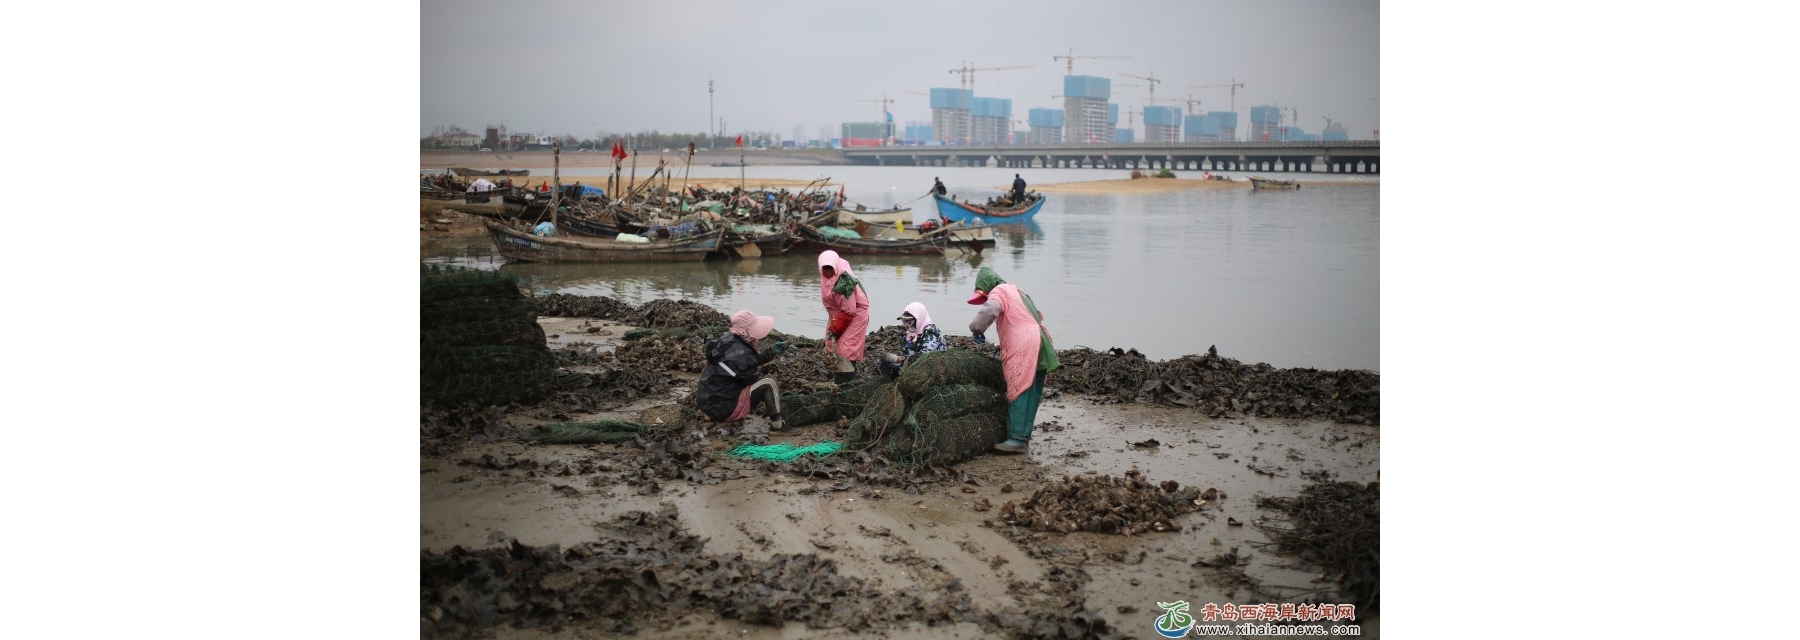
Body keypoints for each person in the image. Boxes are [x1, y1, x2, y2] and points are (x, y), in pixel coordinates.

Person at [966, 267, 1059, 454]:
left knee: (1019, 389)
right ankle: (1023, 437)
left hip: (1024, 345)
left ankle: (1016, 440)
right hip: (1041, 341)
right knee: (1032, 390)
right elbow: (1024, 318)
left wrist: (976, 329)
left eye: (984, 295)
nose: (986, 298)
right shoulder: (1018, 291)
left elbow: (991, 308)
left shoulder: (999, 291)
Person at [697, 310, 792, 430]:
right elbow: (751, 377)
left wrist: (770, 353)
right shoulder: (742, 353)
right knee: (769, 383)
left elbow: (744, 364)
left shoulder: (728, 341)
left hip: (708, 404)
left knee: (761, 382)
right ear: (748, 331)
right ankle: (778, 425)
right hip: (724, 409)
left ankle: (717, 416)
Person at [817, 250, 869, 385]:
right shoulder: (825, 279)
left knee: (846, 349)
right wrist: (832, 330)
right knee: (830, 344)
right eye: (825, 269)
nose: (828, 272)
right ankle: (844, 378)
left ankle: (845, 383)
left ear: (836, 267)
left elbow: (849, 311)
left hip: (855, 313)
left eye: (831, 269)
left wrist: (835, 330)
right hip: (837, 313)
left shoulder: (843, 282)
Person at [879, 302, 946, 374]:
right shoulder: (911, 334)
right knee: (883, 362)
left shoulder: (931, 332)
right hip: (915, 368)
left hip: (933, 370)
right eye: (904, 321)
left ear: (919, 319)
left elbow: (925, 357)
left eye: (910, 322)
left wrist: (896, 359)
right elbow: (908, 354)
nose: (906, 326)